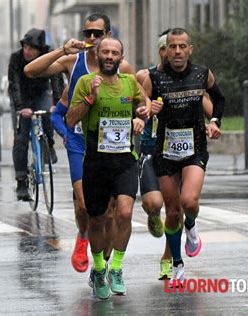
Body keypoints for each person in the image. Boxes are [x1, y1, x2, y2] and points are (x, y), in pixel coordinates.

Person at [24, 13, 136, 273]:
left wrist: (140, 118)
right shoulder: (74, 62)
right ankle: (83, 235)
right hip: (79, 142)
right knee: (85, 206)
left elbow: (138, 96)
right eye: (88, 33)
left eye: (98, 33)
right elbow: (30, 70)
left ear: (109, 35)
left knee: (110, 214)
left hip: (112, 144)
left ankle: (104, 265)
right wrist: (62, 50)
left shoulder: (123, 66)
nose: (93, 38)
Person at [67, 37, 149, 299]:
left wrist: (140, 117)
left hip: (125, 159)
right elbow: (70, 119)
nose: (110, 56)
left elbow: (143, 106)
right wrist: (91, 98)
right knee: (98, 219)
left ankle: (116, 268)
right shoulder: (84, 82)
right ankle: (99, 268)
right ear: (99, 56)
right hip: (96, 161)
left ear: (121, 57)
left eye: (115, 52)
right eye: (106, 52)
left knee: (124, 213)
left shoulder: (129, 82)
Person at [142, 28, 224, 287]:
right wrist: (147, 108)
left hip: (195, 148)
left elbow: (219, 99)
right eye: (172, 46)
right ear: (165, 50)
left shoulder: (202, 74)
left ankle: (192, 224)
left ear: (190, 49)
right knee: (172, 211)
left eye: (182, 47)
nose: (177, 52)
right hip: (164, 152)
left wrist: (214, 121)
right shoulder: (153, 77)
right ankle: (177, 264)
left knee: (189, 201)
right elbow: (140, 104)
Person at [8, 28, 64, 201]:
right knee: (21, 138)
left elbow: (56, 79)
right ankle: (21, 182)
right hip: (22, 98)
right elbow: (14, 83)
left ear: (40, 50)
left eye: (31, 48)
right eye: (25, 47)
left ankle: (50, 145)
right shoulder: (16, 59)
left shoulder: (48, 55)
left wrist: (57, 103)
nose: (27, 51)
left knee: (47, 113)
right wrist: (20, 107)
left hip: (41, 93)